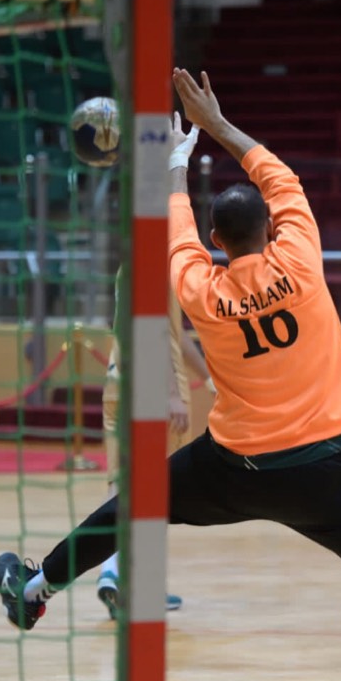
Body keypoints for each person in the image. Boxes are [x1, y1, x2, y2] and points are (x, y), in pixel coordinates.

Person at [0, 67, 341, 681]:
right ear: (272, 229)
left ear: (218, 243)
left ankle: (33, 591)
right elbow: (280, 177)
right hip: (328, 473)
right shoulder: (301, 257)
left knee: (133, 506)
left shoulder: (201, 289)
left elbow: (177, 233)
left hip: (236, 468)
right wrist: (216, 125)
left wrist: (174, 161)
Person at [95, 264, 212, 618]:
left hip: (117, 384)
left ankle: (111, 571)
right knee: (159, 490)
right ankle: (138, 582)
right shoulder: (160, 263)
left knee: (119, 484)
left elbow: (174, 333)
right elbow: (157, 332)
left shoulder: (126, 265)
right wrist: (172, 394)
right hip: (155, 388)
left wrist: (209, 376)